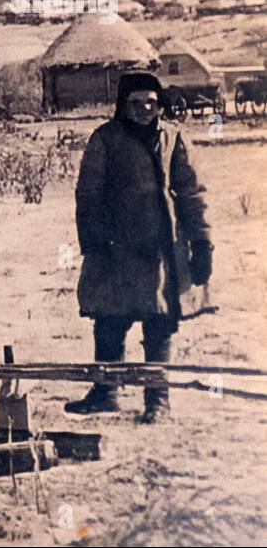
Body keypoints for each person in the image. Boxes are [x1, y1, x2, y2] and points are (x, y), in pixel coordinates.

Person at [65, 71, 212, 423]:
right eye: (137, 103)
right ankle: (106, 391)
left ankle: (157, 400)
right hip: (116, 249)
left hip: (162, 249)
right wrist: (95, 244)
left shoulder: (173, 137)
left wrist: (202, 241)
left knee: (160, 322)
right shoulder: (105, 140)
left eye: (151, 102)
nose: (145, 109)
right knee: (110, 321)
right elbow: (88, 194)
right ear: (123, 106)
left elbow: (191, 192)